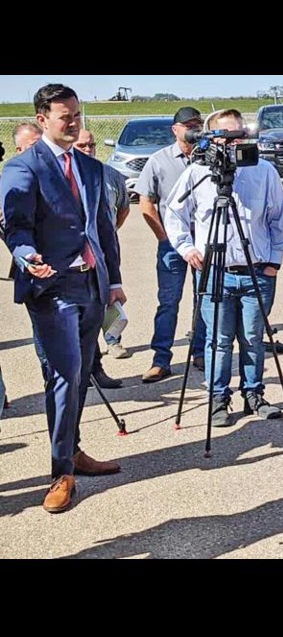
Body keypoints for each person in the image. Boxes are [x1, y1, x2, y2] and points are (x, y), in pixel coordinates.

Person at [1, 84, 124, 514]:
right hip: (52, 287)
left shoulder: (89, 168)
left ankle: (73, 451)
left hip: (92, 286)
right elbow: (14, 226)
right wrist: (24, 255)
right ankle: (61, 473)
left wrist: (113, 282)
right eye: (64, 116)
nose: (73, 122)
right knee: (65, 373)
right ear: (42, 119)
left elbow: (104, 229)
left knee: (81, 373)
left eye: (76, 114)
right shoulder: (23, 168)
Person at [165, 109, 283, 427]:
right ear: (211, 138)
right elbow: (174, 212)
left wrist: (274, 260)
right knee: (217, 341)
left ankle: (254, 395)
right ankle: (218, 399)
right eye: (225, 136)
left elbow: (277, 219)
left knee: (252, 337)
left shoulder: (264, 171)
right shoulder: (198, 172)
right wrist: (187, 248)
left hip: (257, 271)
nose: (233, 142)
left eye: (239, 135)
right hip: (215, 272)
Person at [135, 106, 207, 383]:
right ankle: (161, 359)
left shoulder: (208, 159)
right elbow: (146, 205)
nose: (193, 129)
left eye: (197, 124)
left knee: (204, 299)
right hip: (172, 245)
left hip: (203, 243)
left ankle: (201, 352)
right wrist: (166, 238)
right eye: (187, 124)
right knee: (168, 302)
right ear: (175, 129)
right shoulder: (159, 160)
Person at [75, 128, 132, 362]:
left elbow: (124, 208)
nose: (89, 150)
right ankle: (90, 358)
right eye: (82, 146)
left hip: (105, 247)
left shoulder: (110, 175)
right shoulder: (66, 176)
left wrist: (109, 233)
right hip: (79, 252)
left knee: (111, 295)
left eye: (91, 145)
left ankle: (113, 340)